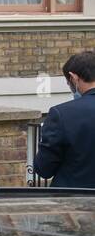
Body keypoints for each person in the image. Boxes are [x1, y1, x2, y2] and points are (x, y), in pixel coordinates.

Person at [34, 50, 95, 188]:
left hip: (72, 199)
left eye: (68, 83)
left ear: (73, 78)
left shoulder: (61, 114)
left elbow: (44, 168)